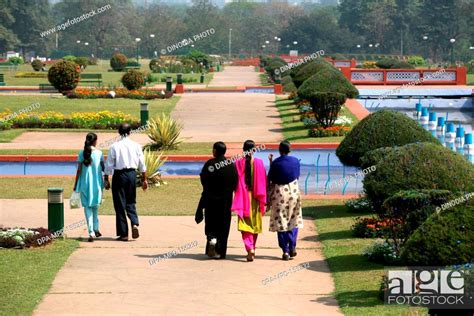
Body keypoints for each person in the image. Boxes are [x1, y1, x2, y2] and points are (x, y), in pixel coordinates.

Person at [105, 123, 147, 241]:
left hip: (119, 175)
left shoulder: (114, 146)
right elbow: (142, 164)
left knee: (119, 204)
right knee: (130, 200)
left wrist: (106, 179)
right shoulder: (136, 146)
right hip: (132, 175)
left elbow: (109, 165)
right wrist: (144, 179)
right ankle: (134, 223)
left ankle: (123, 234)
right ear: (130, 132)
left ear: (119, 132)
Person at [197, 142, 238, 259]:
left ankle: (212, 239)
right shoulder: (230, 164)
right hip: (225, 202)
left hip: (211, 200)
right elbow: (235, 182)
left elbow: (203, 179)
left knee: (211, 223)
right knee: (224, 225)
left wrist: (209, 189)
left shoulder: (210, 164)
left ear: (215, 150)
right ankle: (221, 251)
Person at [231, 140, 267, 262]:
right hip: (256, 199)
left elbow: (234, 181)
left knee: (245, 225)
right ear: (254, 150)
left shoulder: (237, 163)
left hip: (243, 199)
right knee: (254, 225)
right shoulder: (259, 163)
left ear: (243, 149)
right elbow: (264, 182)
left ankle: (249, 248)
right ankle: (253, 248)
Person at [267, 141, 304, 260]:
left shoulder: (276, 163)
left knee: (281, 222)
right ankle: (292, 245)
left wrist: (271, 163)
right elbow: (296, 176)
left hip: (280, 194)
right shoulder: (295, 161)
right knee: (293, 220)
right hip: (293, 192)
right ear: (289, 150)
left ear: (279, 150)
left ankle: (285, 251)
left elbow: (271, 179)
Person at [73, 133, 105, 242]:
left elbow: (79, 170)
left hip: (84, 184)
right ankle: (96, 228)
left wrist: (75, 184)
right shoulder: (99, 153)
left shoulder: (82, 153)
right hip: (96, 184)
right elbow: (102, 169)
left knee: (87, 208)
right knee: (95, 206)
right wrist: (106, 181)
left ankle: (91, 232)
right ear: (95, 141)